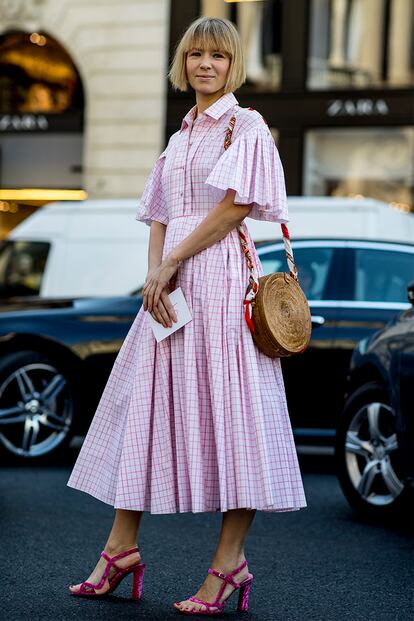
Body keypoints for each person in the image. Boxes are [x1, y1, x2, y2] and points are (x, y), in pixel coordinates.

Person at [67, 16, 307, 615]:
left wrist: (171, 259)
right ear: (183, 63)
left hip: (221, 285)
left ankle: (229, 565)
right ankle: (120, 549)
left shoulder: (246, 126)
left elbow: (236, 210)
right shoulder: (179, 136)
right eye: (196, 54)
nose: (205, 64)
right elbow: (159, 213)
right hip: (171, 288)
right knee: (144, 409)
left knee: (235, 417)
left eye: (218, 57)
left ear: (233, 65)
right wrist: (156, 273)